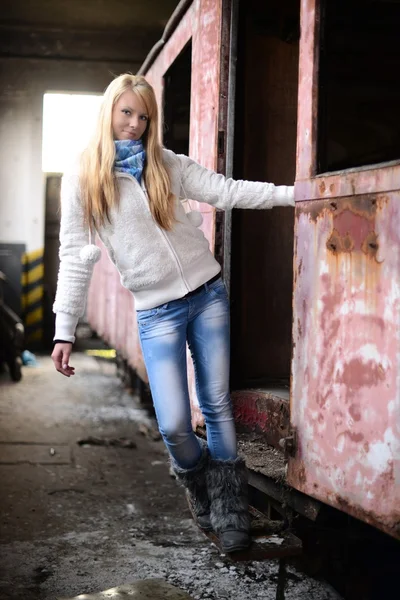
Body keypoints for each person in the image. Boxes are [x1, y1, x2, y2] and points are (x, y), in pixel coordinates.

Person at [51, 73, 295, 553]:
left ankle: (230, 513)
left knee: (217, 404)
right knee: (174, 426)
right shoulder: (83, 178)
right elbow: (73, 257)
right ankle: (206, 483)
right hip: (155, 310)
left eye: (144, 116)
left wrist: (291, 195)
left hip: (207, 294)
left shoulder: (167, 164)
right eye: (127, 113)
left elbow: (226, 191)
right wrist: (64, 329)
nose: (135, 124)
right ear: (108, 112)